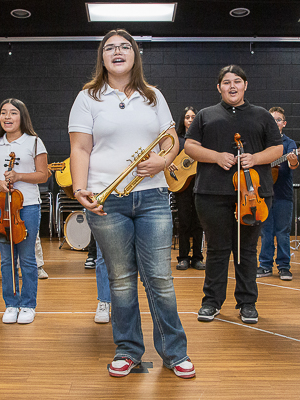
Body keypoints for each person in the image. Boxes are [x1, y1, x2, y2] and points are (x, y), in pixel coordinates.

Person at [68, 29, 194, 379]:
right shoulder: (87, 98)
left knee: (160, 278)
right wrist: (81, 190)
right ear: (102, 57)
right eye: (110, 48)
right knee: (121, 280)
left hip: (153, 196)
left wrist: (162, 162)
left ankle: (174, 352)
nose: (117, 51)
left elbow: (172, 142)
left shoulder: (153, 95)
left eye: (125, 47)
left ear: (135, 55)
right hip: (107, 202)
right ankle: (128, 350)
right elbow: (80, 149)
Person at [185, 65, 283, 324]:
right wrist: (216, 156)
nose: (232, 86)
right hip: (211, 192)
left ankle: (247, 303)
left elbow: (277, 148)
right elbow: (190, 146)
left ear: (245, 85)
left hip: (254, 193)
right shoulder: (205, 115)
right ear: (219, 87)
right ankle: (211, 302)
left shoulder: (262, 115)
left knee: (247, 249)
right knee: (217, 249)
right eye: (226, 82)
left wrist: (256, 158)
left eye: (237, 81)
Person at [0, 98, 48, 324]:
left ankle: (28, 304)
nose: (7, 117)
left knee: (27, 258)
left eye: (13, 113)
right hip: (0, 207)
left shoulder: (34, 142)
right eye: (3, 113)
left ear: (22, 117)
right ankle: (11, 303)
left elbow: (43, 175)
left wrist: (19, 176)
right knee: (6, 259)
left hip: (27, 206)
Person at [257, 106, 298, 280]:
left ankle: (284, 266)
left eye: (279, 119)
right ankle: (265, 265)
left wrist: (293, 161)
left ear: (284, 123)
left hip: (283, 195)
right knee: (266, 231)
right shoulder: (261, 143)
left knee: (282, 232)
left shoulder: (289, 144)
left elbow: (294, 166)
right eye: (272, 119)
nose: (275, 122)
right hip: (263, 194)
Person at [168, 106, 205, 271]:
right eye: (187, 117)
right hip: (181, 185)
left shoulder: (202, 139)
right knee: (183, 223)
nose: (190, 120)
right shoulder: (177, 139)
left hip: (199, 184)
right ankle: (183, 257)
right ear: (183, 120)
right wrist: (169, 164)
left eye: (193, 117)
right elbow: (166, 156)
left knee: (198, 223)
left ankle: (197, 258)